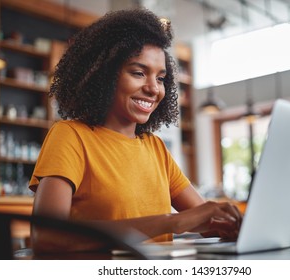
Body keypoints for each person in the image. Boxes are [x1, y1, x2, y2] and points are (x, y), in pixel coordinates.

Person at [29, 8, 241, 253]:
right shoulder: (70, 136)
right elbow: (47, 238)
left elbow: (208, 222)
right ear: (104, 76)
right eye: (139, 73)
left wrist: (234, 223)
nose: (154, 89)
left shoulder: (155, 148)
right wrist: (171, 222)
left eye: (161, 78)